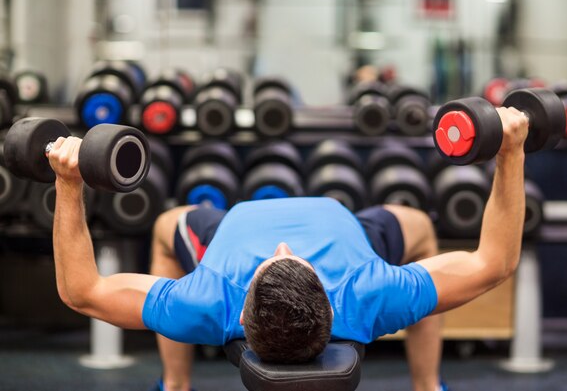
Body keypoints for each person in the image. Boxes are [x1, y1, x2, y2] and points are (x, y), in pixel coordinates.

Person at [48, 105, 528, 391]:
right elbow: (495, 261)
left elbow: (81, 290)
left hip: (226, 230)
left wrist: (69, 184)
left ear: (239, 315)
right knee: (421, 227)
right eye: (293, 258)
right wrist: (511, 153)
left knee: (164, 227)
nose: (281, 245)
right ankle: (427, 386)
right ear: (331, 303)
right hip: (353, 231)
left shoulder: (207, 300)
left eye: (273, 261)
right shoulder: (371, 292)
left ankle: (176, 385)